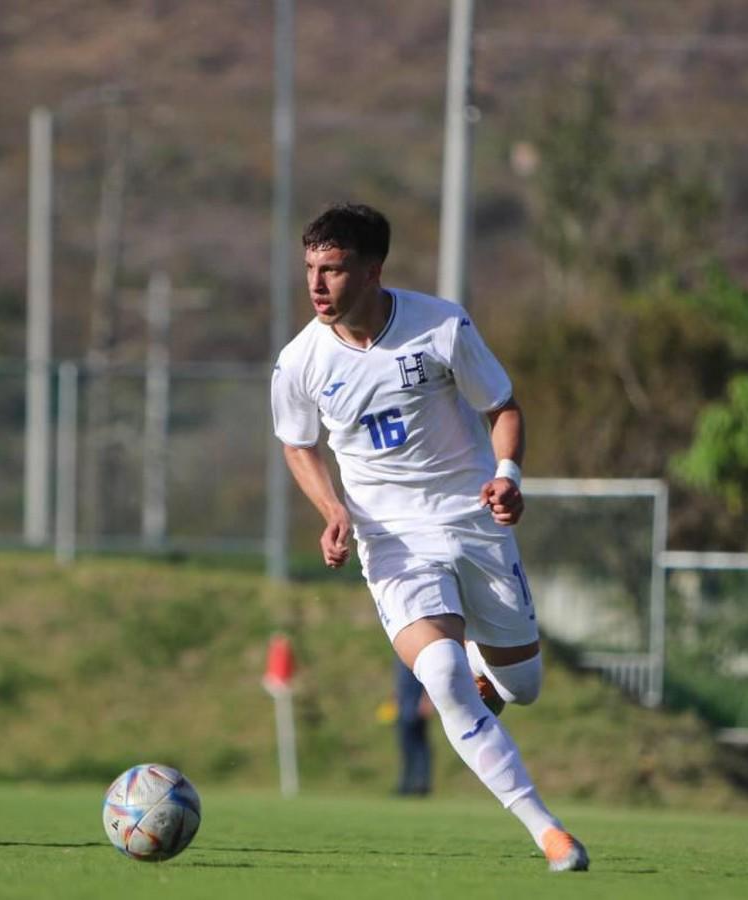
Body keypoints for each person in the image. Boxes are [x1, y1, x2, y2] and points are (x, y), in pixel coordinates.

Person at [270, 203, 589, 872]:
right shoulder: (300, 360)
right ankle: (548, 832)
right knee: (440, 675)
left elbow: (501, 406)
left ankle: (487, 668)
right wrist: (332, 508)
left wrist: (507, 475)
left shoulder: (440, 325)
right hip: (392, 539)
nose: (318, 286)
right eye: (310, 270)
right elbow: (297, 444)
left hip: (472, 518)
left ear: (372, 270)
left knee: (523, 686)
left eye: (333, 270)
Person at [393, 656, 433, 796]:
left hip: (416, 705)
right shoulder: (400, 655)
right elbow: (399, 682)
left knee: (420, 745)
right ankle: (406, 784)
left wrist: (426, 700)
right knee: (406, 747)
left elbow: (427, 679)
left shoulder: (417, 654)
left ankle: (421, 784)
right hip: (404, 706)